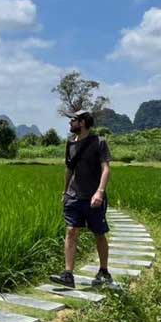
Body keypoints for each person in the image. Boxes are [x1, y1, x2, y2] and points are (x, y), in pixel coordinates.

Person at [49, 109, 113, 288]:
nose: (70, 124)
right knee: (71, 231)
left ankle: (103, 271)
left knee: (99, 234)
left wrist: (100, 191)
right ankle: (68, 274)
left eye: (73, 120)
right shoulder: (70, 144)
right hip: (74, 197)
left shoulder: (99, 142)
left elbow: (105, 169)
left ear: (83, 122)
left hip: (93, 197)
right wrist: (64, 192)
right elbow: (69, 169)